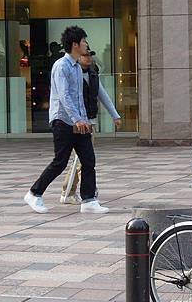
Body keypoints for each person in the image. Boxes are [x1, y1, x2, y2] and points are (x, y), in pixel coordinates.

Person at [23, 25, 109, 214]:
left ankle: (88, 201)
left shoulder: (78, 67)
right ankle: (34, 193)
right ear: (75, 44)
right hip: (63, 121)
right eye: (84, 41)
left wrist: (83, 120)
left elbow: (79, 97)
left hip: (79, 122)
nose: (87, 45)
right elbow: (64, 97)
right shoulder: (61, 66)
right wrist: (77, 119)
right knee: (60, 162)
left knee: (88, 160)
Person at [59, 49, 122, 204]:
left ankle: (73, 190)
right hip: (76, 122)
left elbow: (103, 95)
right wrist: (75, 119)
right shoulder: (72, 73)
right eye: (85, 55)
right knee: (82, 159)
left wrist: (115, 115)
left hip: (89, 122)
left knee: (83, 159)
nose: (89, 58)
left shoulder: (93, 74)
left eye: (90, 55)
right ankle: (70, 190)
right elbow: (65, 97)